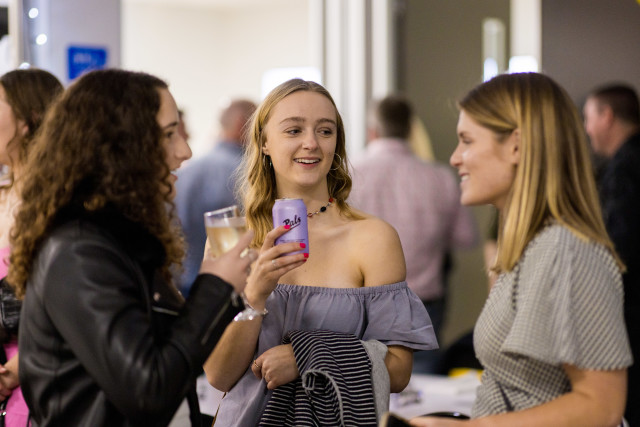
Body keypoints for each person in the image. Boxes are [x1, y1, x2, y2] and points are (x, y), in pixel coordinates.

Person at [5, 68, 290, 426]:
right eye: (169, 134)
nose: (184, 151)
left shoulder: (116, 240)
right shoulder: (80, 250)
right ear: (118, 146)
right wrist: (215, 287)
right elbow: (149, 392)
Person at [203, 79, 437, 426]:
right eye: (294, 130)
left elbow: (399, 372)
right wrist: (255, 296)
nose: (311, 143)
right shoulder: (232, 238)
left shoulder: (373, 238)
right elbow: (219, 376)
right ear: (264, 142)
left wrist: (309, 356)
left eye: (325, 131)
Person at [410, 72, 632, 426]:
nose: (455, 158)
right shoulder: (532, 249)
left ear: (516, 145)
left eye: (467, 141)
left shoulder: (567, 251)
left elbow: (601, 406)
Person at [350, 94, 478, 373]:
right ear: (411, 129)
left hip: (361, 301)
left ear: (372, 131)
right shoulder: (440, 177)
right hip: (422, 303)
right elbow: (466, 238)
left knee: (361, 380)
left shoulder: (348, 175)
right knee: (422, 386)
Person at [0, 68, 63, 427]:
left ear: (29, 120)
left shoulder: (57, 204)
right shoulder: (3, 196)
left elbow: (66, 306)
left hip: (41, 384)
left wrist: (14, 370)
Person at [583, 83, 640, 426]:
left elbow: (619, 248)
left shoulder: (625, 167)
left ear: (606, 116)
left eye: (588, 118)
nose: (587, 128)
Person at [174, 99, 257, 295]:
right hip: (227, 288)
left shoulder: (185, 172)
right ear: (241, 124)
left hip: (184, 285)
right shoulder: (246, 173)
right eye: (258, 126)